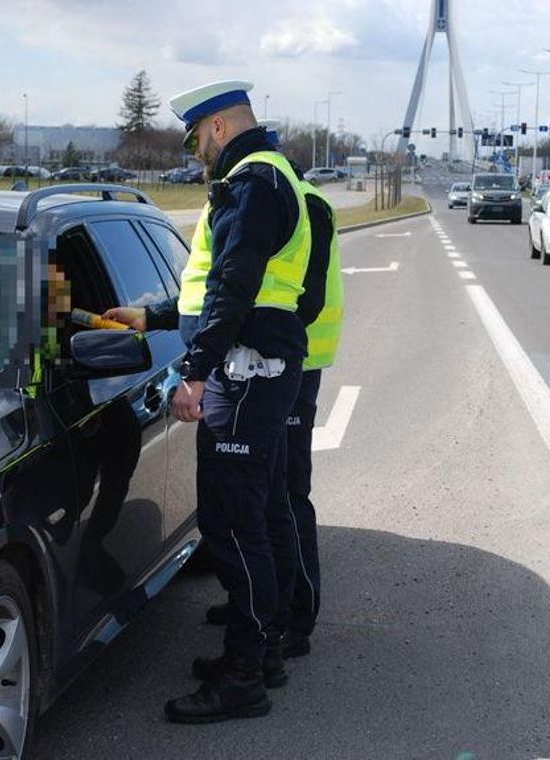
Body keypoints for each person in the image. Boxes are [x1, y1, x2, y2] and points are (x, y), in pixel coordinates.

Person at [103, 80, 311, 724]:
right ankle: (259, 653)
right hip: (254, 367)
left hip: (246, 372)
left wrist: (194, 371)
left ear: (218, 127)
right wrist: (154, 316)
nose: (197, 152)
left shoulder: (252, 183)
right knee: (247, 516)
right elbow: (209, 292)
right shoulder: (269, 176)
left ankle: (245, 675)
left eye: (198, 139)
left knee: (233, 522)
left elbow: (233, 288)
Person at [203, 119, 344, 661]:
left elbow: (300, 296)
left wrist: (268, 345)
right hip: (271, 355)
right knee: (265, 499)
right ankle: (266, 607)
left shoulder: (292, 198)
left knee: (283, 494)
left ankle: (293, 615)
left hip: (282, 361)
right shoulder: (277, 189)